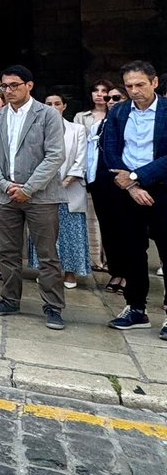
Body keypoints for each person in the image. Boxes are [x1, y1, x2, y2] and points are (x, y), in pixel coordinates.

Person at [0, 65, 68, 331]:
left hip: (41, 196)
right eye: (5, 86)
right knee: (7, 252)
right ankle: (9, 299)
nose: (8, 90)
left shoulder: (47, 115)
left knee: (47, 254)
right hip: (4, 195)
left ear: (29, 86)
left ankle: (53, 306)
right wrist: (4, 184)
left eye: (14, 85)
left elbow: (55, 155)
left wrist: (28, 188)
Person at [100, 61, 167, 339]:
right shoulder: (119, 112)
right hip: (127, 191)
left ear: (154, 83)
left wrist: (138, 176)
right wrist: (129, 185)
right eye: (129, 86)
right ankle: (135, 308)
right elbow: (110, 148)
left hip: (161, 188)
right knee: (131, 251)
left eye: (140, 84)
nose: (134, 91)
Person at [35, 94, 90, 289]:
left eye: (57, 103)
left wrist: (64, 182)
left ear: (64, 106)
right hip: (42, 188)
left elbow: (81, 160)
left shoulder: (77, 130)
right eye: (48, 103)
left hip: (69, 189)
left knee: (70, 232)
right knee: (45, 232)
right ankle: (48, 271)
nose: (52, 106)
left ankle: (70, 273)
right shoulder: (37, 127)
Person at [88, 86, 127, 294]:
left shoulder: (131, 123)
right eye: (108, 98)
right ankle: (116, 271)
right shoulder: (99, 125)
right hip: (101, 183)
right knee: (109, 229)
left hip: (124, 184)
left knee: (126, 231)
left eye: (116, 97)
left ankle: (128, 274)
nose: (110, 101)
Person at [74, 79, 114, 273]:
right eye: (96, 90)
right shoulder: (82, 117)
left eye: (104, 90)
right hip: (88, 171)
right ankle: (94, 259)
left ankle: (111, 261)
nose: (99, 94)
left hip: (110, 170)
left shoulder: (116, 114)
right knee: (92, 218)